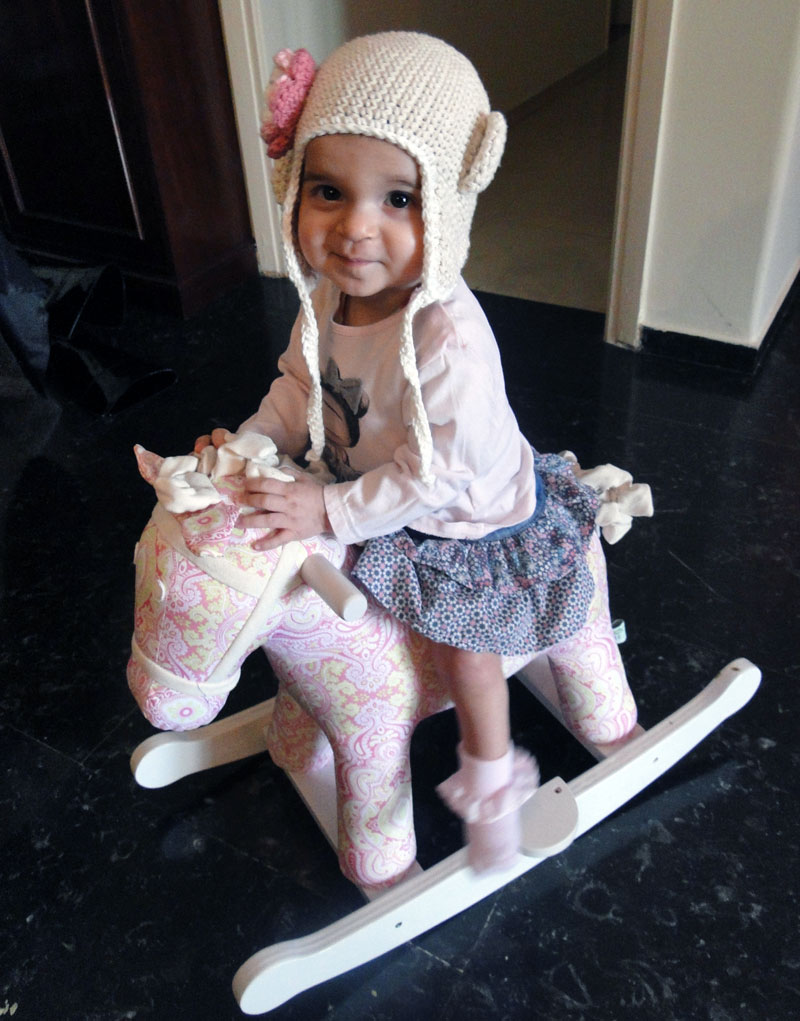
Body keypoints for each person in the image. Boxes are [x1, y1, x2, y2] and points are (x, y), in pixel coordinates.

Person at [195, 32, 609, 871]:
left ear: (448, 209)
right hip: (369, 489)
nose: (356, 229)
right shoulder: (327, 300)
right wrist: (250, 445)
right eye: (328, 191)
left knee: (467, 646)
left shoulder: (447, 340)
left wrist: (325, 507)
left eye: (399, 199)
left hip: (464, 520)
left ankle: (493, 778)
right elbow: (299, 389)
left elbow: (436, 476)